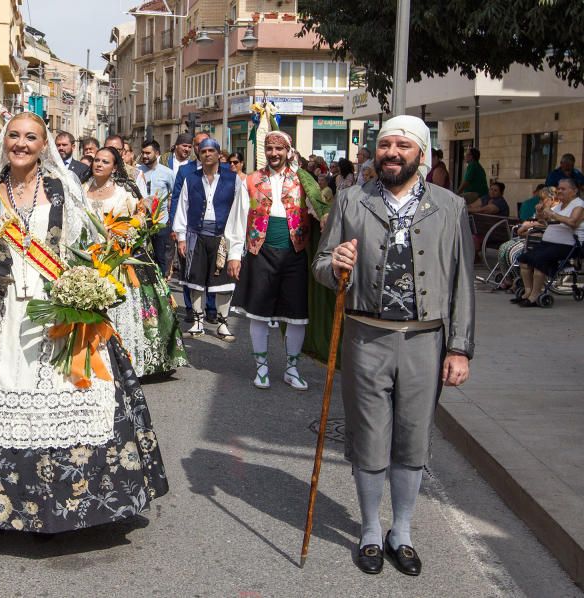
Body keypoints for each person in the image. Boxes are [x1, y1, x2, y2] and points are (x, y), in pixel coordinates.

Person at [0, 112, 169, 532]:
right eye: (14, 136)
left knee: (67, 388)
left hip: (51, 299)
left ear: (44, 145)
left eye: (31, 137)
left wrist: (96, 276)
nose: (21, 144)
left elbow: (84, 243)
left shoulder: (62, 190)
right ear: (3, 143)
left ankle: (66, 503)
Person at [314, 115, 474, 577]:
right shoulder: (351, 200)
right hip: (366, 337)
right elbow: (322, 267)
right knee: (368, 439)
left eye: (403, 145)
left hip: (426, 340)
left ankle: (400, 532)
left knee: (412, 440)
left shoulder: (450, 206)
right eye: (385, 144)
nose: (392, 152)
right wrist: (335, 264)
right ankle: (368, 529)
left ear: (421, 154)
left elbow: (464, 284)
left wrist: (459, 348)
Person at [86, 146, 188, 376]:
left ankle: (129, 361)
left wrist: (127, 235)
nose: (99, 165)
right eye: (96, 160)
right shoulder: (82, 189)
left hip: (122, 258)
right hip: (91, 257)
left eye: (105, 161)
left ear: (114, 167)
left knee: (126, 310)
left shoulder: (125, 191)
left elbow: (142, 216)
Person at [226, 131, 313, 391]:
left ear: (288, 151)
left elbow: (320, 208)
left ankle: (292, 368)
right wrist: (234, 253)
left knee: (297, 315)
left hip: (294, 252)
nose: (274, 153)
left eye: (279, 149)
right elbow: (240, 216)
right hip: (260, 252)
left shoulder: (302, 179)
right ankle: (261, 368)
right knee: (259, 313)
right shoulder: (252, 180)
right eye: (269, 148)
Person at [172, 137, 246, 340]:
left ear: (218, 154)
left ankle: (222, 323)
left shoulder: (233, 179)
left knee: (223, 282)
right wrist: (181, 237)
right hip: (196, 234)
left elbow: (240, 211)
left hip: (223, 236)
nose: (206, 154)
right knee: (194, 280)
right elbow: (182, 207)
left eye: (210, 151)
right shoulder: (191, 178)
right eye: (203, 151)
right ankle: (197, 322)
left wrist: (237, 244)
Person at [515, 178, 584, 307]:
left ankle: (535, 296)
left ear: (574, 191)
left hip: (567, 245)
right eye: (559, 188)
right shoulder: (560, 205)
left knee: (540, 261)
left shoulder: (579, 205)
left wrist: (552, 214)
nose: (559, 191)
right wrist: (541, 211)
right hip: (548, 243)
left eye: (563, 189)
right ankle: (528, 292)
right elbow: (544, 221)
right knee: (524, 259)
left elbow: (573, 222)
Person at [172, 131, 217, 323]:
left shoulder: (221, 171)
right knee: (189, 269)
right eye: (198, 145)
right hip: (190, 229)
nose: (201, 148)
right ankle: (191, 308)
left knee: (213, 271)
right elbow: (177, 199)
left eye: (206, 145)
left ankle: (211, 308)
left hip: (214, 230)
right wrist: (177, 229)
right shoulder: (185, 170)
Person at [496, 186, 555, 290]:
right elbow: (532, 221)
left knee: (513, 252)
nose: (540, 202)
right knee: (503, 248)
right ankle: (509, 278)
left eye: (543, 199)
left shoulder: (554, 210)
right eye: (540, 199)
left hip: (537, 239)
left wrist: (527, 226)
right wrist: (531, 222)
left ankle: (517, 279)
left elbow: (542, 224)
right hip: (530, 236)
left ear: (552, 199)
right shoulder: (542, 209)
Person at [138, 139, 177, 276]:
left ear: (157, 153)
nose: (145, 156)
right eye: (143, 153)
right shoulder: (137, 172)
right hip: (140, 223)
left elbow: (174, 195)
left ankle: (162, 288)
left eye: (148, 153)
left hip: (160, 223)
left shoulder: (167, 173)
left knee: (161, 259)